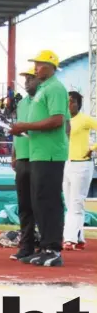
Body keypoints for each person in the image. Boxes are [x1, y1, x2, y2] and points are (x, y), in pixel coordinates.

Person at [10, 49, 69, 267]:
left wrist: (25, 126)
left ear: (52, 66)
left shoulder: (55, 88)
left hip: (50, 154)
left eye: (41, 64)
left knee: (49, 201)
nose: (36, 68)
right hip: (37, 153)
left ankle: (53, 249)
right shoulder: (42, 91)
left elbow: (57, 120)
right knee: (39, 201)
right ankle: (45, 247)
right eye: (36, 64)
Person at [10, 67, 40, 261]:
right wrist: (14, 153)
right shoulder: (21, 103)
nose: (27, 82)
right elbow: (18, 128)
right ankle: (26, 246)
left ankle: (45, 245)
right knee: (24, 206)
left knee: (41, 205)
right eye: (26, 78)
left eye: (31, 78)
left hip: (40, 157)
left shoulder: (44, 100)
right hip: (22, 157)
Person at [62, 91, 96, 251]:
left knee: (76, 202)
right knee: (71, 203)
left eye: (72, 102)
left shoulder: (84, 119)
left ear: (78, 104)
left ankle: (69, 239)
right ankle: (79, 237)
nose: (69, 105)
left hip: (82, 164)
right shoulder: (63, 120)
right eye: (67, 101)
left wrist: (93, 148)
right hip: (67, 163)